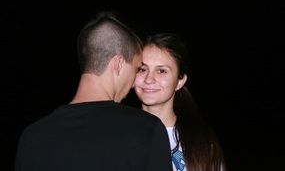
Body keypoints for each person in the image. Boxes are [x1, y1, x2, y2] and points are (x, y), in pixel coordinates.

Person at [15, 12, 173, 171]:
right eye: (137, 69)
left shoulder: (31, 137)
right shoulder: (146, 131)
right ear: (118, 64)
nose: (133, 83)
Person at [134, 33, 226, 171]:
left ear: (180, 81)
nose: (149, 79)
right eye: (142, 69)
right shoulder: (119, 133)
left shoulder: (200, 141)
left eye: (161, 71)